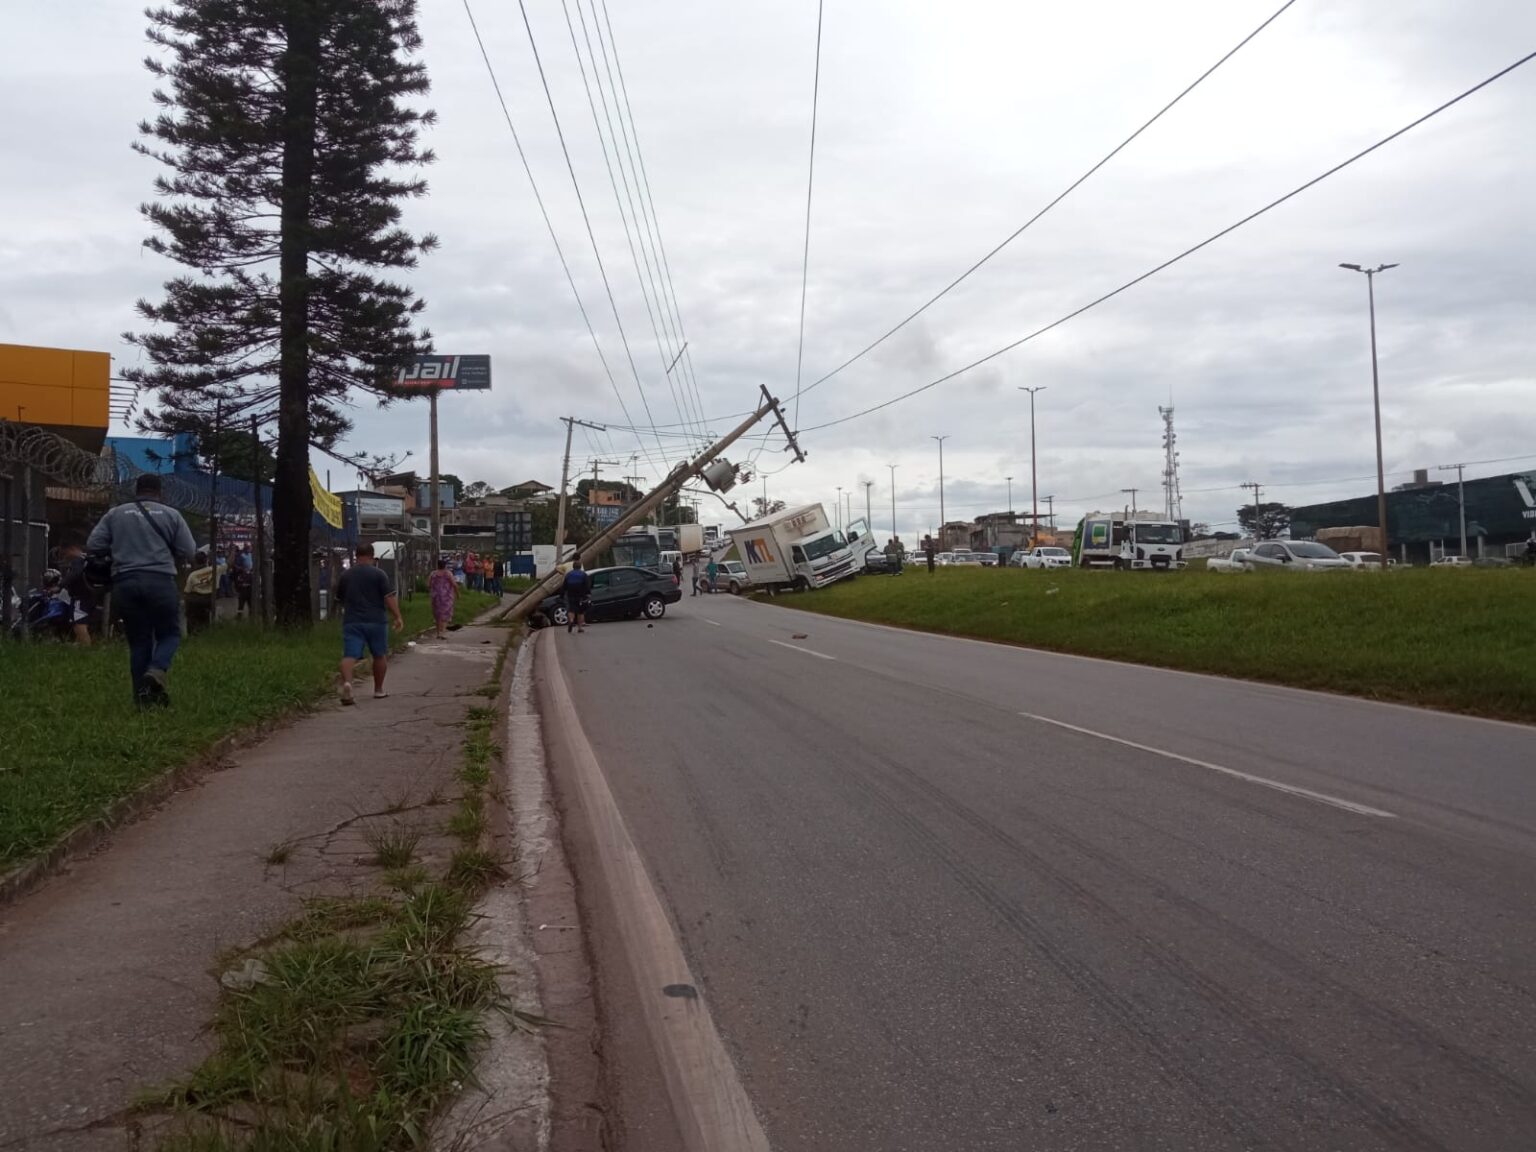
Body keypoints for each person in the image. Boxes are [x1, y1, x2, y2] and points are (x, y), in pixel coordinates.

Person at [86, 474, 196, 707]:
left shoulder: (116, 513)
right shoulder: (171, 514)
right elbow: (189, 550)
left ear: (136, 490)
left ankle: (142, 700)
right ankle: (156, 671)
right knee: (169, 634)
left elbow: (94, 545)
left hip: (125, 582)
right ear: (160, 492)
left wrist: (121, 547)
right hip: (160, 581)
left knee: (139, 642)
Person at [336, 542, 404, 704]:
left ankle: (347, 684)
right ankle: (378, 690)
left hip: (352, 621)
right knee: (379, 655)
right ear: (372, 557)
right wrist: (398, 616)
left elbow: (340, 599)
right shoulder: (379, 574)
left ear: (356, 556)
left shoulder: (346, 575)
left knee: (349, 656)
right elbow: (388, 597)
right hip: (377, 621)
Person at [58, 542, 96, 645]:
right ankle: (80, 649)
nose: (65, 556)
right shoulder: (87, 559)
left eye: (65, 553)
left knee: (80, 625)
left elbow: (75, 574)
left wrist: (60, 585)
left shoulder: (78, 561)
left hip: (80, 597)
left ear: (72, 549)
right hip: (89, 596)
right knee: (78, 625)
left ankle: (86, 651)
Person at [184, 550, 217, 634]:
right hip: (206, 600)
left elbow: (187, 591)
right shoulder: (212, 571)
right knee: (205, 623)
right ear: (206, 560)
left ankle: (193, 638)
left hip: (194, 602)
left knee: (192, 624)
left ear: (195, 561)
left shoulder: (191, 574)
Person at [428, 557, 457, 640]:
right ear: (445, 566)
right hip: (446, 597)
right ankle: (443, 633)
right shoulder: (448, 573)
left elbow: (428, 584)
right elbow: (454, 584)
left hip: (435, 597)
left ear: (437, 565)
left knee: (437, 615)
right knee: (445, 614)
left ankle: (438, 633)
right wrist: (458, 593)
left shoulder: (433, 573)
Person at [562, 559, 591, 633]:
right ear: (580, 567)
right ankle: (580, 628)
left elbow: (564, 585)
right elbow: (587, 585)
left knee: (571, 609)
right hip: (581, 595)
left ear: (573, 567)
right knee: (580, 611)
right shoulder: (583, 574)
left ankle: (571, 621)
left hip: (571, 594)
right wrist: (588, 594)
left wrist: (563, 593)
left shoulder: (568, 574)